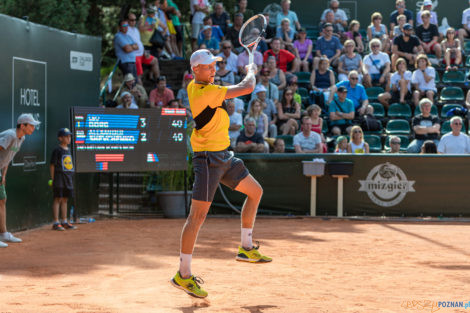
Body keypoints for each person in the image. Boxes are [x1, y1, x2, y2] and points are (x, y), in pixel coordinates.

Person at [171, 49, 271, 298]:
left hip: (224, 156)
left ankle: (246, 247)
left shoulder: (210, 87)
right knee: (197, 217)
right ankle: (183, 275)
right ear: (195, 70)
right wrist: (250, 71)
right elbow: (248, 87)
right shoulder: (203, 91)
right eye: (207, 66)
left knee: (255, 191)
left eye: (214, 65)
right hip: (207, 160)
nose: (213, 69)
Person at [0, 114, 40, 247]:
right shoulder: (10, 135)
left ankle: (3, 233)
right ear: (22, 125)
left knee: (2, 200)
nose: (34, 128)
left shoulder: (21, 138)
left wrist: (4, 175)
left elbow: (8, 157)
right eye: (31, 125)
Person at [50, 128, 77, 231]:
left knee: (65, 199)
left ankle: (64, 221)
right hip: (59, 178)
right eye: (66, 136)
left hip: (68, 179)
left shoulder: (69, 150)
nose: (68, 138)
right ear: (60, 138)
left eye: (69, 136)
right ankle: (56, 222)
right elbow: (52, 165)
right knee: (58, 199)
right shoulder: (57, 150)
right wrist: (53, 179)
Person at [128, 12, 160, 83]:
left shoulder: (135, 30)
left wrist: (144, 51)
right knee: (139, 75)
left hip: (142, 54)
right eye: (131, 20)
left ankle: (159, 82)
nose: (133, 22)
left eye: (134, 20)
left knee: (155, 60)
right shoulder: (126, 31)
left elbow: (139, 42)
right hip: (135, 56)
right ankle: (142, 92)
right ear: (127, 20)